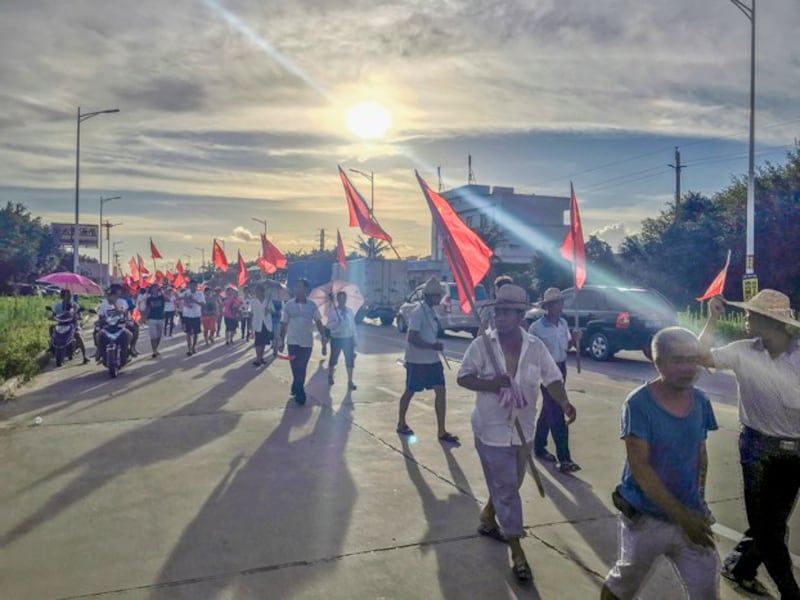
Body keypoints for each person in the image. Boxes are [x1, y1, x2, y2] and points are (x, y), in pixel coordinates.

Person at [457, 284, 577, 582]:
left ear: (521, 315)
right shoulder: (482, 346)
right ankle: (517, 550)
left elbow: (552, 378)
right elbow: (463, 377)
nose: (500, 317)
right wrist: (492, 384)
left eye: (507, 312)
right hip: (491, 430)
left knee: (511, 482)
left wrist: (564, 402)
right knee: (508, 489)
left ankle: (488, 518)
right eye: (498, 311)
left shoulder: (535, 347)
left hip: (523, 428)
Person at [601, 327, 719, 600]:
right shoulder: (638, 404)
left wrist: (699, 501)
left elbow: (700, 454)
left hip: (690, 514)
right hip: (646, 518)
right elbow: (641, 470)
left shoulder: (700, 400)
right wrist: (681, 516)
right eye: (678, 360)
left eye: (693, 359)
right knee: (624, 584)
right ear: (658, 362)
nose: (689, 368)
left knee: (705, 587)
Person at [700, 290, 800, 599]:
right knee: (768, 530)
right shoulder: (742, 351)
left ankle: (739, 567)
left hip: (795, 452)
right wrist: (712, 319)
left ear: (772, 322)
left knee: (772, 525)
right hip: (756, 449)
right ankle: (790, 593)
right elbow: (700, 356)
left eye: (751, 314)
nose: (745, 317)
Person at [396, 276, 459, 444]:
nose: (439, 298)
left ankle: (441, 430)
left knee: (441, 391)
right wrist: (432, 346)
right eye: (437, 295)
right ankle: (401, 423)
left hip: (432, 360)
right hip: (417, 361)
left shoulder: (431, 312)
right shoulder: (418, 312)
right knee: (410, 391)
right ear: (429, 296)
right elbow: (412, 338)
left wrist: (435, 345)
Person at [529, 287, 582, 473]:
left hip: (560, 368)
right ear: (548, 306)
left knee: (549, 409)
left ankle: (539, 446)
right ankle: (564, 458)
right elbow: (531, 354)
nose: (559, 306)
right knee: (558, 411)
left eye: (560, 303)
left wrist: (574, 340)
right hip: (544, 371)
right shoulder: (536, 328)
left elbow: (565, 348)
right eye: (555, 303)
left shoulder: (563, 324)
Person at [279, 278, 327, 405]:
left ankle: (298, 388)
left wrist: (323, 336)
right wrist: (281, 340)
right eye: (296, 287)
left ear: (306, 290)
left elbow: (318, 321)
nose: (298, 289)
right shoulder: (289, 305)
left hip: (307, 342)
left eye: (301, 287)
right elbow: (284, 323)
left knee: (303, 366)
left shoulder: (312, 305)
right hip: (293, 341)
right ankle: (300, 390)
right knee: (295, 366)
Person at [326, 290, 358, 390]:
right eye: (341, 298)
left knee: (349, 360)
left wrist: (355, 339)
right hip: (336, 338)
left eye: (345, 298)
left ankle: (350, 381)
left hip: (348, 338)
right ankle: (330, 375)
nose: (343, 300)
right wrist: (336, 323)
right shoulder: (332, 312)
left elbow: (353, 326)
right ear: (337, 299)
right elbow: (328, 325)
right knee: (333, 358)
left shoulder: (349, 311)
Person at [95, 284, 133, 364]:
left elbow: (122, 312)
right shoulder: (104, 303)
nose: (118, 292)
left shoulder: (122, 302)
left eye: (119, 290)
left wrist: (114, 304)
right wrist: (100, 322)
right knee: (97, 335)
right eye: (115, 291)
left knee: (130, 334)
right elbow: (101, 316)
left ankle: (128, 349)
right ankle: (99, 350)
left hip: (119, 326)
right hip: (107, 326)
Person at [51, 289, 89, 363]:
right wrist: (52, 317)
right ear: (61, 296)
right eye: (65, 295)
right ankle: (52, 346)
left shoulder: (74, 305)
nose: (67, 297)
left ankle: (85, 356)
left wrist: (77, 316)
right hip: (61, 324)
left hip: (73, 325)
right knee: (52, 330)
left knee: (78, 335)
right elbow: (53, 315)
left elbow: (80, 316)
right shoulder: (57, 306)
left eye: (68, 295)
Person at [250, 284, 273, 367]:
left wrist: (268, 310)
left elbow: (272, 311)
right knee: (258, 342)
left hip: (266, 324)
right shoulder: (253, 301)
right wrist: (250, 325)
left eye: (258, 291)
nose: (256, 293)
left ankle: (261, 357)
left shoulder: (268, 301)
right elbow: (251, 312)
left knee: (263, 342)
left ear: (262, 292)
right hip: (257, 323)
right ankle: (258, 358)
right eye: (256, 291)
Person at [180, 280, 204, 356]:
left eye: (194, 285)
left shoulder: (200, 294)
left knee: (196, 333)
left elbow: (202, 304)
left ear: (196, 286)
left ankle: (194, 347)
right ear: (189, 285)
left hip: (196, 315)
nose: (192, 287)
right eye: (191, 285)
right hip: (187, 315)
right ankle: (189, 349)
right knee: (188, 333)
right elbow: (178, 298)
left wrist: (194, 300)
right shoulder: (186, 292)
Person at [143, 284, 166, 358]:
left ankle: (156, 348)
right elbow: (147, 309)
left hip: (160, 318)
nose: (155, 289)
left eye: (157, 288)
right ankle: (154, 351)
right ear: (151, 289)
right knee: (153, 336)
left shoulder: (161, 297)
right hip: (152, 319)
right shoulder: (149, 299)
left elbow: (168, 299)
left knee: (158, 336)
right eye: (154, 288)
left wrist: (162, 292)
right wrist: (144, 318)